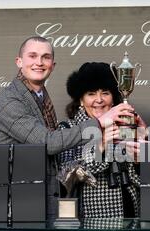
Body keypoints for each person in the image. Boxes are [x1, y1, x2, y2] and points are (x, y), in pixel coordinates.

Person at [0, 36, 134, 219]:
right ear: (19, 61)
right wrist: (99, 129)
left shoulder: (39, 97)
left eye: (45, 57)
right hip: (22, 204)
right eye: (32, 56)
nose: (39, 63)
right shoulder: (10, 101)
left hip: (44, 203)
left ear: (53, 64)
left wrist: (140, 155)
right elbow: (49, 144)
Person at [59, 62, 142, 218]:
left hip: (130, 215)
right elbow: (66, 178)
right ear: (81, 100)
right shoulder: (68, 129)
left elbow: (139, 181)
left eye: (105, 93)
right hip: (90, 219)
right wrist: (101, 145)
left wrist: (139, 162)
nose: (99, 100)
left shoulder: (126, 124)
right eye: (91, 94)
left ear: (114, 97)